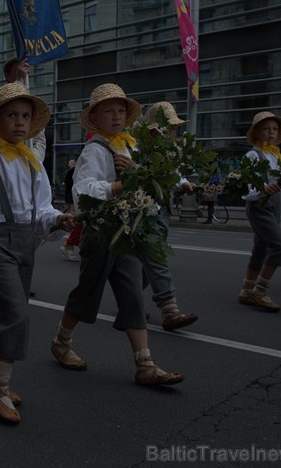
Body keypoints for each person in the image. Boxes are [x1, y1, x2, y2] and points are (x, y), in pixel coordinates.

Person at [0, 83, 75, 424]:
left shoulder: (31, 161)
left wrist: (58, 219)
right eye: (12, 115)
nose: (20, 122)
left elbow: (42, 208)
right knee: (16, 315)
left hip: (24, 244)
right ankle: (0, 387)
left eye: (25, 116)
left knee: (6, 315)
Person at [49, 83, 184, 386]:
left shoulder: (130, 146)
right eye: (108, 111)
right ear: (94, 119)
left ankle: (145, 364)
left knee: (133, 294)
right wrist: (119, 185)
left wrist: (136, 170)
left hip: (127, 232)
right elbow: (84, 191)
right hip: (100, 231)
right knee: (88, 291)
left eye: (120, 111)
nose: (116, 116)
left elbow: (149, 180)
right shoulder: (94, 151)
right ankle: (61, 341)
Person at [139, 101, 199, 330]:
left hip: (162, 212)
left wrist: (185, 184)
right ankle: (170, 310)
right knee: (157, 259)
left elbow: (176, 176)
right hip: (143, 214)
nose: (170, 132)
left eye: (173, 128)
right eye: (166, 128)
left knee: (145, 266)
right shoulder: (139, 150)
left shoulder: (170, 152)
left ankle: (130, 302)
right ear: (152, 130)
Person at [237, 112, 281, 312]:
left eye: (274, 129)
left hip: (274, 207)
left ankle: (247, 290)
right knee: (279, 246)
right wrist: (263, 189)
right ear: (256, 132)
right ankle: (260, 291)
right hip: (259, 206)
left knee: (261, 248)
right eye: (266, 129)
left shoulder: (276, 155)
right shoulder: (253, 155)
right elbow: (247, 183)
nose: (271, 132)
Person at [3, 57, 46, 163]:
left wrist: (32, 160)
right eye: (17, 71)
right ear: (7, 75)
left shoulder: (32, 102)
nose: (20, 123)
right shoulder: (0, 100)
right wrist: (20, 81)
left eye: (26, 115)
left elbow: (39, 139)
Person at [59, 158, 82, 261]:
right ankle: (68, 244)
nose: (70, 164)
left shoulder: (73, 170)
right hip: (74, 193)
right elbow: (70, 182)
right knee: (79, 220)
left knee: (75, 216)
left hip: (73, 193)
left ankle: (69, 244)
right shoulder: (74, 170)